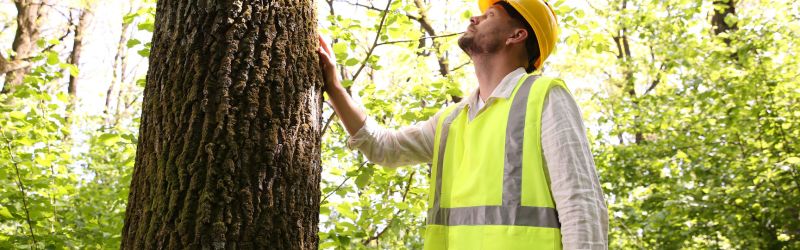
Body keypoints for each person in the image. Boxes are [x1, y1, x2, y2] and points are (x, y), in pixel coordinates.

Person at [317, 0, 608, 249]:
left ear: (516, 35)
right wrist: (334, 88)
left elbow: (581, 206)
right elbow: (382, 147)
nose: (474, 17)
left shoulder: (545, 97)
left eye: (490, 15)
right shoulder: (451, 121)